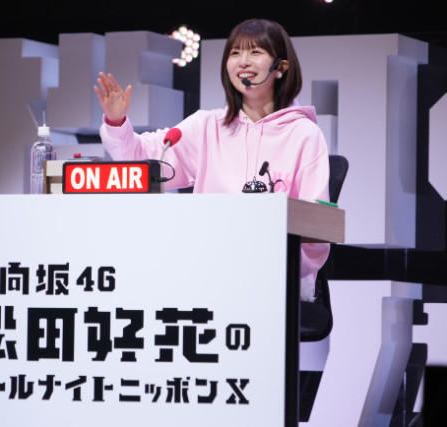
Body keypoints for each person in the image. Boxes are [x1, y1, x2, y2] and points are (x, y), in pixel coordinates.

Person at [94, 18, 330, 302]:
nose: (243, 61)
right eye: (235, 53)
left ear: (281, 67)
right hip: (206, 274)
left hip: (275, 281)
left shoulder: (304, 135)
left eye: (255, 52)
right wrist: (117, 122)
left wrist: (274, 260)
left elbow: (317, 230)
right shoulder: (206, 126)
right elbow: (141, 162)